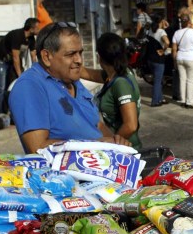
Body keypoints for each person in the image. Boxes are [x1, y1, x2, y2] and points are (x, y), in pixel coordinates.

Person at [9, 22, 128, 154]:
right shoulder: (30, 86)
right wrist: (96, 146)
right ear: (46, 57)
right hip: (68, 173)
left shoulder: (71, 80)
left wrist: (116, 142)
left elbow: (96, 124)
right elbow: (38, 147)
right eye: (71, 54)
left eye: (80, 53)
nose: (79, 60)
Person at [90, 33, 142, 150]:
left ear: (99, 57)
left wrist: (110, 144)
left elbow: (131, 125)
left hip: (126, 149)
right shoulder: (120, 72)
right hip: (123, 146)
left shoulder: (120, 83)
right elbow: (91, 75)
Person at [0, 18, 40, 113]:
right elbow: (16, 58)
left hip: (10, 60)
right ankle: (0, 113)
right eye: (38, 28)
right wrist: (20, 75)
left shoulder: (31, 39)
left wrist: (36, 72)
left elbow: (34, 56)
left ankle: (9, 110)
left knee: (11, 85)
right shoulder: (17, 36)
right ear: (31, 28)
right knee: (1, 87)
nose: (39, 29)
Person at [148, 14, 170, 107]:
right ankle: (155, 101)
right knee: (157, 81)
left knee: (158, 80)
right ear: (161, 21)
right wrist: (163, 50)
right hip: (158, 59)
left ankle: (160, 98)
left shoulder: (150, 30)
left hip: (150, 58)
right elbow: (167, 42)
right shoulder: (161, 32)